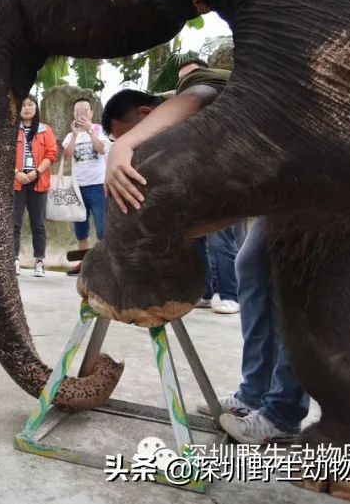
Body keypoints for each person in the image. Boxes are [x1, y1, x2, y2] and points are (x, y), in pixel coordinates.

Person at [101, 61, 240, 314]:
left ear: (145, 113)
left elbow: (196, 96)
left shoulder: (193, 82)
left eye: (133, 135)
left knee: (231, 250)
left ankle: (229, 294)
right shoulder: (177, 132)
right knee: (253, 266)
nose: (137, 147)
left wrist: (122, 147)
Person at [198, 219, 310, 444]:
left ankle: (282, 414)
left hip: (314, 203)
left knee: (293, 272)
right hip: (278, 202)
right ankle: (254, 393)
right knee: (252, 262)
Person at [61, 98, 109, 276]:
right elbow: (67, 156)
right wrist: (74, 135)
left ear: (91, 112)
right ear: (73, 113)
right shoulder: (70, 135)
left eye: (85, 110)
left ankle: (105, 265)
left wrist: (90, 131)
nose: (81, 114)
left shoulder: (99, 130)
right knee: (81, 230)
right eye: (78, 111)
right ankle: (84, 264)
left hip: (97, 186)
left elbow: (102, 149)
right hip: (77, 188)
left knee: (102, 229)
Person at [13, 96, 56, 276]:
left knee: (38, 224)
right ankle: (14, 260)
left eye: (30, 104)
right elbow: (4, 152)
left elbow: (51, 154)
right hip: (16, 181)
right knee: (14, 224)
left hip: (38, 181)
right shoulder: (11, 128)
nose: (26, 108)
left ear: (36, 107)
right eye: (23, 105)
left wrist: (36, 173)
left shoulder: (45, 129)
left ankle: (39, 261)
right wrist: (17, 173)